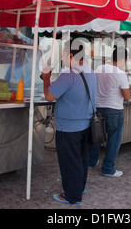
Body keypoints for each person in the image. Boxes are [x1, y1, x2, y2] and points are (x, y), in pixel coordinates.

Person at [42, 41, 98, 205]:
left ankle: (72, 196)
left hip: (69, 127)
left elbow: (49, 96)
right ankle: (79, 187)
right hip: (87, 124)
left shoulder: (69, 74)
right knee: (81, 158)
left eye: (63, 54)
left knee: (70, 162)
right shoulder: (90, 72)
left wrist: (46, 79)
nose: (62, 57)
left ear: (71, 55)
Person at [89, 48, 131, 177]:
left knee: (96, 137)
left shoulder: (99, 69)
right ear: (122, 59)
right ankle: (108, 168)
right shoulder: (120, 73)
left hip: (97, 108)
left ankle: (91, 161)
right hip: (114, 109)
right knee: (114, 139)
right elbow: (127, 96)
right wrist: (129, 88)